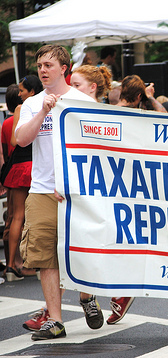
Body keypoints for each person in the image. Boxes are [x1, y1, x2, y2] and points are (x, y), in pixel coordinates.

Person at [15, 45, 105, 341]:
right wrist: (43, 110)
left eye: (48, 65)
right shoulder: (32, 103)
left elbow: (97, 148)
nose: (42, 70)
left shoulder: (83, 101)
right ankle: (55, 320)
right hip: (42, 190)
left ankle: (87, 296)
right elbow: (21, 140)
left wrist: (76, 184)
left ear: (64, 68)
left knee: (82, 250)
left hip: (77, 192)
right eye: (39, 65)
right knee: (45, 257)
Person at [71, 65, 137, 325]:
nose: (70, 90)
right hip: (75, 189)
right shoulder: (65, 113)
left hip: (107, 188)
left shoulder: (109, 114)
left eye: (75, 85)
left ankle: (105, 294)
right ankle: (80, 301)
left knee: (102, 242)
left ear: (92, 88)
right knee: (71, 246)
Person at [2, 76, 43, 282]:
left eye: (22, 90)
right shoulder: (45, 106)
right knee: (35, 217)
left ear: (32, 91)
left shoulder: (22, 109)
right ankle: (35, 265)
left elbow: (13, 141)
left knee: (17, 216)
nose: (19, 94)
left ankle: (10, 266)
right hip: (36, 166)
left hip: (20, 166)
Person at [1, 84, 23, 278]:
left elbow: (5, 151)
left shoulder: (6, 124)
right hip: (26, 168)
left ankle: (10, 262)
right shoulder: (25, 115)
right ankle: (21, 262)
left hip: (10, 171)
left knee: (11, 217)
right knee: (23, 218)